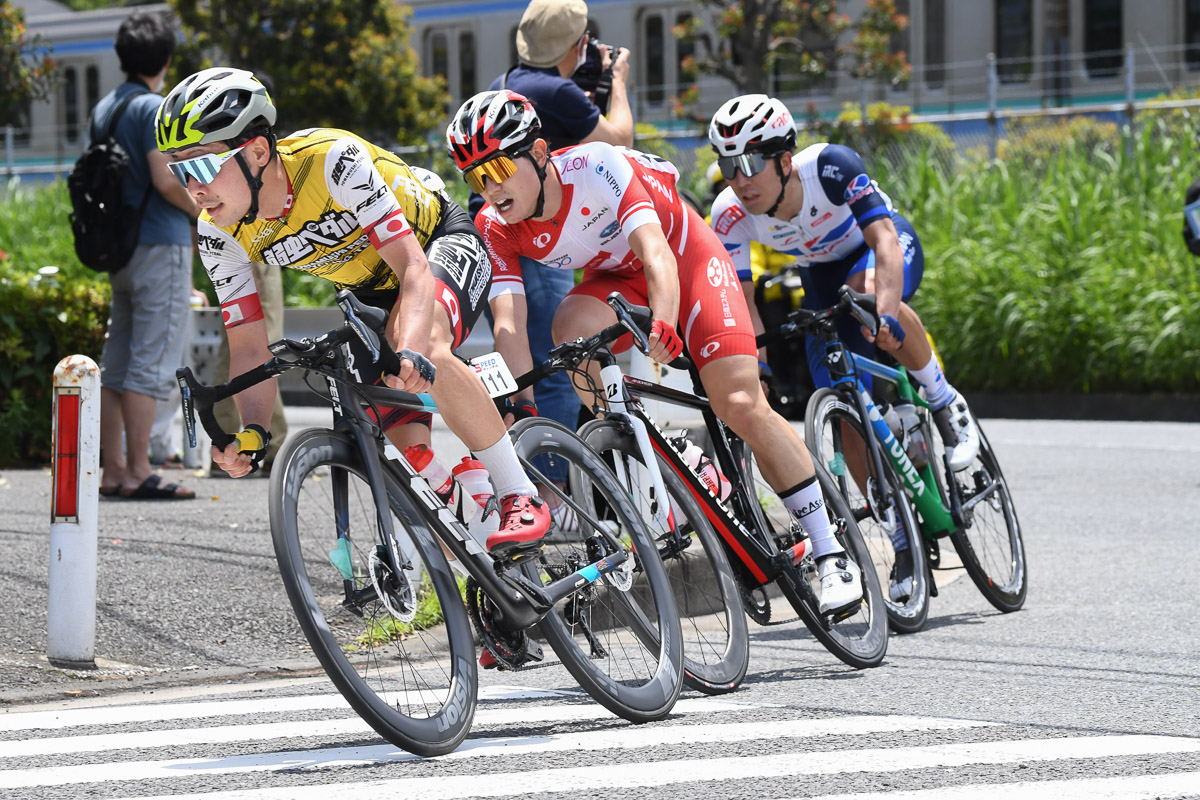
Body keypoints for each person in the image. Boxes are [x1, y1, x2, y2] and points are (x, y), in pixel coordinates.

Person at [447, 90, 865, 616]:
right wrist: (517, 401)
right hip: (618, 281)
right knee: (570, 333)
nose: (492, 188)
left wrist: (665, 320)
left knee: (737, 401)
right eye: (476, 177)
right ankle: (665, 448)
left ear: (537, 152)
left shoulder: (596, 166)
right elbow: (509, 323)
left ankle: (830, 553)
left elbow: (655, 252)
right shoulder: (494, 226)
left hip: (683, 260)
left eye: (499, 167)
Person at [154, 68, 550, 556]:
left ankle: (520, 494)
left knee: (422, 346)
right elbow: (249, 345)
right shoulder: (218, 233)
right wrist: (254, 431)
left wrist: (410, 350)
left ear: (257, 152)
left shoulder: (329, 161)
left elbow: (411, 267)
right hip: (372, 291)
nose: (191, 188)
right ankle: (481, 527)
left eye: (198, 168)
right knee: (406, 455)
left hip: (432, 246)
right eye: (178, 171)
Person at [707, 94, 981, 600]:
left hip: (877, 248)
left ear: (785, 160)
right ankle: (902, 539)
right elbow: (740, 302)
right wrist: (758, 367)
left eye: (749, 163)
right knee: (842, 395)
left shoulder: (830, 167)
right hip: (821, 272)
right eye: (727, 165)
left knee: (872, 293)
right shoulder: (728, 213)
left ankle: (944, 402)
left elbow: (884, 241)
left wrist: (884, 309)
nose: (739, 179)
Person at [471, 0, 635, 436]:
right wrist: (617, 81)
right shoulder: (557, 92)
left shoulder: (504, 83)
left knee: (521, 357)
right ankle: (556, 490)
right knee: (559, 367)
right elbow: (620, 140)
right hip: (532, 238)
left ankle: (538, 476)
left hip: (493, 233)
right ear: (578, 44)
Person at [97, 10, 202, 500]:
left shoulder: (106, 108)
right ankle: (140, 470)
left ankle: (114, 469)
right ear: (165, 58)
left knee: (115, 363)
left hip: (119, 249)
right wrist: (205, 212)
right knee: (151, 362)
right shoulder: (154, 108)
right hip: (161, 243)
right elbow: (165, 180)